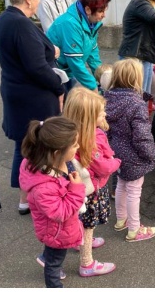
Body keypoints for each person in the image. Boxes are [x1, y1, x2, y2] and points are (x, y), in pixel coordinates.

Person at [0, 0, 68, 216]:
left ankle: (25, 198)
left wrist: (50, 51)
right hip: (32, 95)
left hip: (15, 90)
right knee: (38, 145)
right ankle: (37, 196)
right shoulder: (21, 24)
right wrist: (59, 87)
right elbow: (36, 67)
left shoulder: (5, 19)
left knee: (23, 146)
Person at [19, 117, 86, 288]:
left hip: (58, 230)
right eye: (75, 145)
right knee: (54, 264)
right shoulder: (44, 187)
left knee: (53, 257)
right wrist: (77, 189)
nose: (78, 147)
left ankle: (46, 258)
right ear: (57, 152)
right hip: (57, 233)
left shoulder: (50, 162)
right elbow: (61, 213)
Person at [61, 88, 118, 277]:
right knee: (88, 224)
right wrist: (117, 161)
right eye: (100, 112)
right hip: (91, 189)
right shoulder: (92, 137)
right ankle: (87, 263)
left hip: (77, 187)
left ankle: (79, 241)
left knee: (79, 218)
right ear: (88, 117)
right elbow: (103, 166)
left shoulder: (70, 134)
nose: (105, 114)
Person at [103, 59, 155, 243]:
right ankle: (134, 229)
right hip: (134, 155)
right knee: (134, 190)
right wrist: (151, 154)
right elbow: (142, 136)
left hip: (114, 151)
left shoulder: (107, 98)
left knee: (121, 185)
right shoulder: (136, 104)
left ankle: (121, 219)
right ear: (137, 78)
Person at [47, 0, 110, 92]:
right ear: (88, 10)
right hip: (55, 74)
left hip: (69, 72)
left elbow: (93, 55)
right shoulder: (70, 24)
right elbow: (74, 61)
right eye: (101, 11)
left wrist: (104, 79)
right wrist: (93, 86)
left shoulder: (92, 23)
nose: (104, 15)